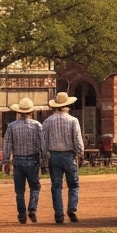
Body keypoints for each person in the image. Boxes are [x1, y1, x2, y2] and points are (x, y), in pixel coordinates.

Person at [41, 92, 84, 224]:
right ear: (67, 105)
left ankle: (59, 215)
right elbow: (77, 139)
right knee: (74, 184)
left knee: (56, 186)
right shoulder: (73, 120)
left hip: (53, 156)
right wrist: (80, 153)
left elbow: (43, 142)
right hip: (68, 155)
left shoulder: (47, 121)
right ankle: (71, 208)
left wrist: (43, 158)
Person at [2, 97, 44, 224]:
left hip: (18, 160)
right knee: (35, 187)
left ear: (19, 112)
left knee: (19, 191)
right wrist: (44, 162)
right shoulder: (37, 125)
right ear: (31, 112)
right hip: (33, 159)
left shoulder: (12, 126)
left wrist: (6, 162)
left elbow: (7, 145)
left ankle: (21, 215)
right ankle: (32, 208)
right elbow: (42, 145)